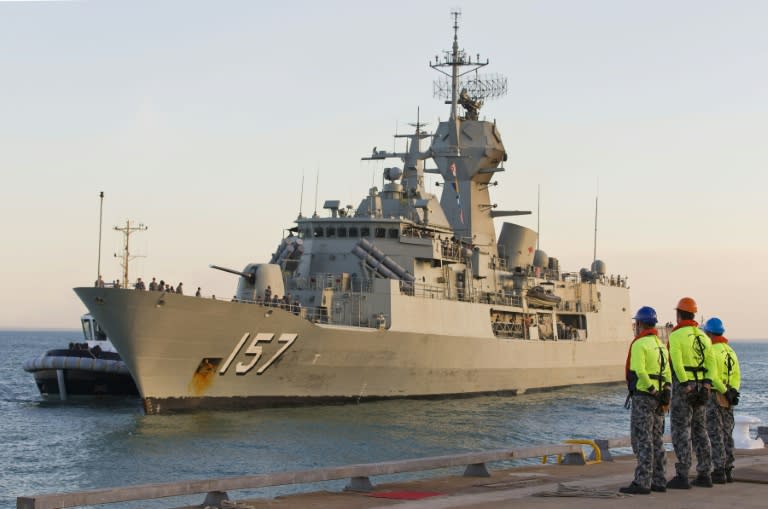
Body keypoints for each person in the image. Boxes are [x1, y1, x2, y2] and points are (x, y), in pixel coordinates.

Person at [666, 297, 725, 489]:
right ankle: (704, 474)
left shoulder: (676, 336)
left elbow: (676, 362)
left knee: (681, 429)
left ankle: (682, 475)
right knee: (701, 430)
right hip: (703, 386)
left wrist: (686, 385)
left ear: (679, 314)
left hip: (686, 387)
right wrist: (707, 385)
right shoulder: (704, 337)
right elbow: (711, 364)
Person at [619, 306, 671, 494]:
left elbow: (639, 371)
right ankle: (660, 479)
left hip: (644, 396)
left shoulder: (639, 344)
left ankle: (642, 482)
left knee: (642, 439)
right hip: (660, 397)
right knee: (657, 438)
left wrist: (651, 390)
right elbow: (666, 373)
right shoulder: (660, 344)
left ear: (640, 324)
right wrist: (664, 392)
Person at [702, 317, 741, 484]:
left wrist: (723, 391)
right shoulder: (730, 351)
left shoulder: (712, 350)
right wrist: (732, 392)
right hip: (730, 397)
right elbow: (737, 375)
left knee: (715, 433)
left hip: (716, 395)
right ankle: (728, 468)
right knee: (727, 433)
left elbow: (713, 376)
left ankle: (718, 470)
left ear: (709, 333)